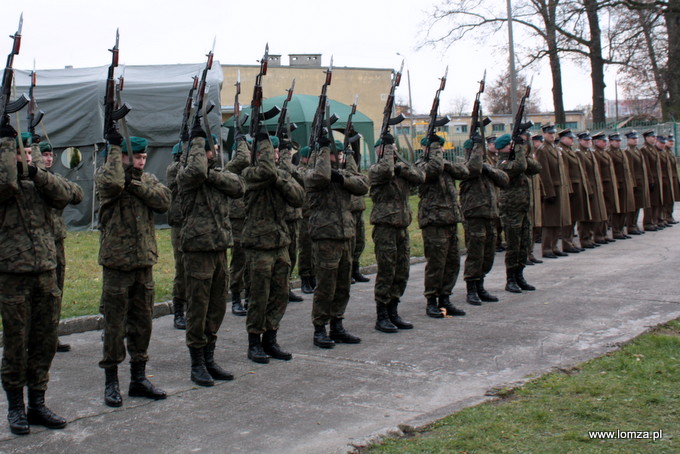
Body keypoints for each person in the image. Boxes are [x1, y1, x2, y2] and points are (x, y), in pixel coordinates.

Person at [0, 125, 72, 434]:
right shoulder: (5, 185)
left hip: (45, 271)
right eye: (21, 152)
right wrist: (5, 147)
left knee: (44, 342)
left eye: (30, 152)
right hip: (13, 275)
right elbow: (5, 184)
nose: (27, 157)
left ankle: (38, 403)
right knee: (17, 343)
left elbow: (71, 194)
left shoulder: (41, 183)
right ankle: (16, 407)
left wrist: (37, 172)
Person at [96, 133, 170, 407]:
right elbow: (114, 183)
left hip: (143, 262)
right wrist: (115, 151)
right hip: (117, 263)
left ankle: (138, 378)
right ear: (123, 157)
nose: (140, 162)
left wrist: (136, 184)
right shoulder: (106, 179)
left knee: (142, 324)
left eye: (143, 158)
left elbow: (163, 201)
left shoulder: (146, 180)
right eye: (135, 157)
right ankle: (111, 381)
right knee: (115, 325)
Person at [176, 126, 245, 386]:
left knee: (216, 307)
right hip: (197, 251)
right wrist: (195, 141)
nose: (214, 152)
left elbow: (239, 187)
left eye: (215, 149)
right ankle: (197, 363)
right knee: (198, 308)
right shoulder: (186, 177)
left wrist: (211, 175)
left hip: (218, 248)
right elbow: (194, 171)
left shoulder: (217, 176)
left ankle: (209, 357)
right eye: (210, 149)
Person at [241, 133, 304, 363]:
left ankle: (271, 337)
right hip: (258, 245)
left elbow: (298, 197)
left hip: (279, 243)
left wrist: (280, 178)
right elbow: (266, 171)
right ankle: (254, 341)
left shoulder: (278, 175)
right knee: (259, 296)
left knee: (279, 294)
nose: (276, 156)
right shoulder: (249, 173)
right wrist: (273, 170)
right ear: (259, 155)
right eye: (271, 152)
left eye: (277, 152)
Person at [304, 135, 369, 348]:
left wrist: (342, 179)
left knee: (342, 285)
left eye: (340, 154)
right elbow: (322, 177)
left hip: (345, 236)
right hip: (325, 237)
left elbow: (362, 184)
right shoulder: (312, 174)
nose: (339, 157)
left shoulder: (342, 174)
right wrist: (322, 150)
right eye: (335, 153)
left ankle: (337, 324)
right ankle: (320, 327)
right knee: (326, 286)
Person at [369, 134, 424, 332]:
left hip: (401, 226)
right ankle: (381, 315)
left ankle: (393, 310)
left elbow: (420, 177)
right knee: (387, 271)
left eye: (391, 148)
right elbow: (385, 170)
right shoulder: (376, 170)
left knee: (402, 271)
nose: (389, 152)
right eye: (384, 149)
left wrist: (402, 167)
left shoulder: (400, 171)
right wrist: (388, 153)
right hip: (385, 227)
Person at [416, 134, 468, 318]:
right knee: (436, 263)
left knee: (452, 262)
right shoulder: (420, 165)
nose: (441, 151)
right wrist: (437, 156)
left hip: (451, 219)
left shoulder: (445, 165)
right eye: (437, 148)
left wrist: (444, 161)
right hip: (434, 220)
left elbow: (464, 172)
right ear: (426, 149)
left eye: (442, 148)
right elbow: (432, 170)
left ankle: (445, 298)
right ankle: (431, 300)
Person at [40, 141, 84, 350]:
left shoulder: (54, 180)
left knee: (56, 290)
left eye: (50, 155)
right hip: (38, 244)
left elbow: (75, 194)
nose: (48, 159)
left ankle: (51, 336)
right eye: (44, 155)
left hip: (56, 241)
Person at [460, 134, 509, 305]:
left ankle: (480, 284)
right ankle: (471, 288)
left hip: (490, 215)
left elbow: (504, 179)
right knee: (475, 253)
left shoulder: (487, 166)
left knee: (488, 253)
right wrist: (478, 150)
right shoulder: (464, 166)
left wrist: (489, 169)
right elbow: (473, 169)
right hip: (474, 216)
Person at [495, 134, 541, 293]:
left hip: (522, 208)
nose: (513, 147)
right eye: (510, 145)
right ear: (503, 148)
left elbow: (536, 168)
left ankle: (520, 275)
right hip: (510, 210)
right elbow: (520, 167)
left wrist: (523, 148)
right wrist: (520, 149)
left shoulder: (518, 158)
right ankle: (511, 279)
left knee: (524, 244)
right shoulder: (502, 162)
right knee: (513, 245)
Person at [275, 135, 305, 303]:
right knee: (283, 258)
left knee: (292, 254)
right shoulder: (278, 166)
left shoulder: (292, 166)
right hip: (284, 217)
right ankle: (280, 288)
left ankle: (286, 287)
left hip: (295, 216)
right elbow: (285, 170)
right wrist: (285, 153)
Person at [536, 124, 571, 258]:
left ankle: (555, 246)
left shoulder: (556, 149)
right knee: (550, 221)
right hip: (551, 190)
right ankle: (546, 248)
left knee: (559, 220)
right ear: (544, 134)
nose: (552, 135)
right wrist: (548, 192)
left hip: (560, 188)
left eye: (553, 133)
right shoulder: (542, 150)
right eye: (549, 133)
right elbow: (544, 173)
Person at [227, 138, 251, 316]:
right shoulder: (230, 169)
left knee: (252, 261)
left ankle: (250, 295)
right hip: (237, 220)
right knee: (239, 260)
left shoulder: (253, 170)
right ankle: (236, 297)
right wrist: (241, 140)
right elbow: (242, 159)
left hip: (252, 218)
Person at [557, 129, 589, 252]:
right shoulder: (561, 152)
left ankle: (570, 241)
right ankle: (567, 242)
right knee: (568, 217)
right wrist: (569, 189)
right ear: (563, 139)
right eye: (570, 138)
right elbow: (564, 172)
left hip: (577, 186)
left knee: (574, 216)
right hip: (570, 188)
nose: (572, 140)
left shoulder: (569, 150)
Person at [167, 142, 188, 329]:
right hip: (179, 224)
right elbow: (179, 177)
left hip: (192, 223)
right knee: (181, 269)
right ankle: (179, 310)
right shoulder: (174, 169)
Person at [575, 131, 608, 247]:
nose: (588, 142)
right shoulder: (579, 154)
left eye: (589, 140)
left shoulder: (590, 153)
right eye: (585, 140)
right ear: (579, 141)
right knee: (586, 216)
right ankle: (585, 238)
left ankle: (591, 237)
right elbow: (583, 173)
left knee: (595, 214)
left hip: (595, 187)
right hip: (587, 188)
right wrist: (588, 189)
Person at [606, 133, 636, 239]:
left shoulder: (622, 152)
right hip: (617, 184)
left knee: (625, 208)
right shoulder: (609, 153)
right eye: (616, 141)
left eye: (619, 141)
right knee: (617, 209)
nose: (618, 142)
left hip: (626, 183)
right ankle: (616, 231)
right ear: (610, 142)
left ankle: (621, 230)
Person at [592, 132, 618, 242]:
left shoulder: (604, 153)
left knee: (608, 210)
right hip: (602, 185)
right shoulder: (596, 154)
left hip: (609, 185)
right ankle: (598, 234)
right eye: (603, 141)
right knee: (601, 211)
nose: (605, 143)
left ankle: (604, 233)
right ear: (596, 142)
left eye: (605, 141)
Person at [297, 146, 316, 294]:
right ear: (304, 158)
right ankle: (305, 277)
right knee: (305, 248)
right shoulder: (300, 170)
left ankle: (313, 276)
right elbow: (305, 179)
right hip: (304, 215)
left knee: (315, 248)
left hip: (315, 214)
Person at [623, 131, 650, 235]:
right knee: (633, 206)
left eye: (636, 138)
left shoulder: (637, 150)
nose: (635, 140)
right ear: (628, 140)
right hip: (635, 183)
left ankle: (634, 224)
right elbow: (630, 169)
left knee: (638, 205)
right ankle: (631, 226)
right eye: (633, 138)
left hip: (641, 182)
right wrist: (633, 184)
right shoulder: (628, 152)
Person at [640, 130, 664, 231]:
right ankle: (648, 222)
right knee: (650, 202)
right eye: (652, 137)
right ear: (646, 138)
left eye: (654, 137)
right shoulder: (644, 150)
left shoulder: (653, 149)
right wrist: (650, 180)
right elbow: (647, 167)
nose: (654, 138)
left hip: (657, 178)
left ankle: (655, 220)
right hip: (651, 179)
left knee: (657, 201)